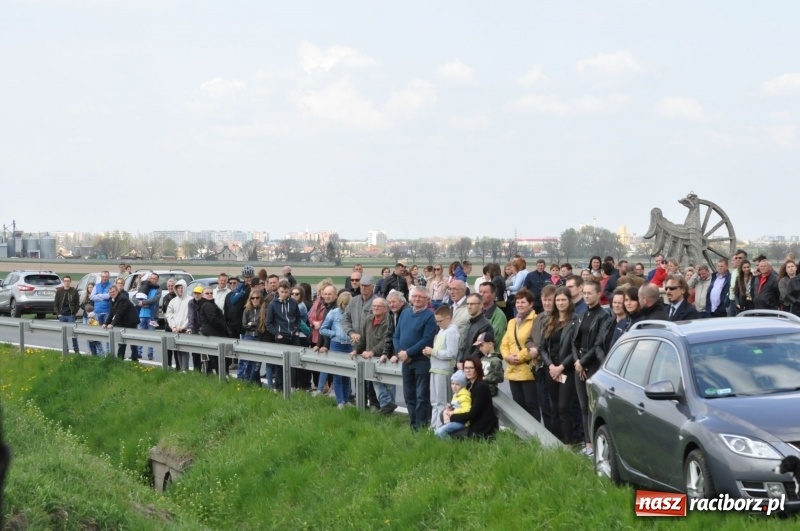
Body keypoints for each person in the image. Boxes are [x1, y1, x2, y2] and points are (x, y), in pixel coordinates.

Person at [573, 278, 614, 456]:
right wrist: (577, 361)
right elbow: (574, 342)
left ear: (598, 294)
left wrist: (583, 362)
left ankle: (597, 445)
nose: (586, 296)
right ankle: (588, 444)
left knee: (593, 407)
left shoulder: (604, 316)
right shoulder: (581, 315)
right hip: (579, 365)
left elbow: (598, 343)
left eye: (590, 293)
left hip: (593, 365)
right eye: (584, 293)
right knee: (583, 407)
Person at [538, 286, 580, 444]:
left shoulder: (575, 321)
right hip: (550, 368)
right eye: (558, 300)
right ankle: (556, 442)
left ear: (569, 301)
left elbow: (575, 348)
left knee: (564, 408)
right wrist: (550, 366)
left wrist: (561, 367)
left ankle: (569, 442)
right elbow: (542, 348)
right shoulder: (548, 320)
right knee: (554, 407)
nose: (560, 303)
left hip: (566, 369)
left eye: (563, 300)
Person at [393, 286, 438, 430]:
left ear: (427, 299)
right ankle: (413, 425)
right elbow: (396, 335)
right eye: (415, 296)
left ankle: (422, 425)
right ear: (410, 298)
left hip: (421, 361)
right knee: (409, 395)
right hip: (405, 360)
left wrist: (408, 353)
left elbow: (427, 339)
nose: (417, 299)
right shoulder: (405, 313)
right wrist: (400, 352)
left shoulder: (430, 316)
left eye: (421, 297)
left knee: (421, 396)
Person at [500, 289, 540, 421]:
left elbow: (536, 344)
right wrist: (507, 356)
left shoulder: (536, 320)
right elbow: (505, 343)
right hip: (513, 369)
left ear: (531, 304)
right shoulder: (512, 322)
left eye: (523, 302)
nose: (519, 305)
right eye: (518, 302)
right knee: (518, 406)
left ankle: (535, 432)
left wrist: (519, 357)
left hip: (528, 369)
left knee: (531, 405)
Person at [355, 297, 396, 413]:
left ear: (385, 309)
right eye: (374, 306)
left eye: (379, 306)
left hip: (385, 356)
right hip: (371, 358)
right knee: (375, 381)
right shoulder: (368, 319)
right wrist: (356, 350)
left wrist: (372, 351)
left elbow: (386, 340)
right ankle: (386, 404)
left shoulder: (389, 321)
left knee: (388, 384)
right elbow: (363, 338)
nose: (376, 308)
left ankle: (388, 408)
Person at [422, 305, 459, 429]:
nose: (438, 324)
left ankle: (440, 426)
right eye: (436, 321)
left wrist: (433, 352)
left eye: (440, 321)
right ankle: (433, 426)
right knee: (434, 401)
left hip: (444, 370)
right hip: (435, 368)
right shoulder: (442, 330)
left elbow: (451, 353)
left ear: (448, 318)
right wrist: (430, 353)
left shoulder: (452, 331)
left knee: (442, 402)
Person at [446, 355, 499, 439]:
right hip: (470, 422)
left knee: (448, 432)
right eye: (466, 368)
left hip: (481, 427)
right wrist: (451, 410)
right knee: (443, 415)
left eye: (471, 368)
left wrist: (452, 417)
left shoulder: (481, 387)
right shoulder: (469, 385)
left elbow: (473, 414)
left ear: (477, 369)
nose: (468, 370)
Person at [528, 284, 556, 433]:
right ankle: (548, 435)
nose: (546, 303)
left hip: (553, 367)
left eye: (549, 300)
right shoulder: (538, 318)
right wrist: (532, 348)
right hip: (539, 367)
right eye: (544, 300)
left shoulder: (560, 318)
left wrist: (539, 351)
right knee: (544, 403)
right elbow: (528, 339)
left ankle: (560, 437)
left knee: (556, 405)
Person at [320, 291, 353, 408]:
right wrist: (335, 334)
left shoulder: (353, 313)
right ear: (340, 303)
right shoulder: (333, 313)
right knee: (337, 374)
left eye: (349, 305)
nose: (346, 307)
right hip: (336, 344)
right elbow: (322, 329)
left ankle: (346, 400)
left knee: (347, 374)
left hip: (349, 345)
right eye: (345, 305)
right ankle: (340, 402)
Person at [103, 284, 140, 360]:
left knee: (132, 341)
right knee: (121, 341)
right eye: (110, 292)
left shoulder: (122, 298)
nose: (112, 294)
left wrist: (112, 324)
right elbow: (111, 313)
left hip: (130, 321)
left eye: (113, 292)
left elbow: (119, 313)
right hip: (122, 322)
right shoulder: (112, 299)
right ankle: (120, 358)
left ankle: (134, 358)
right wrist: (106, 323)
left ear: (117, 291)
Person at [457, 294, 494, 366]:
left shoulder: (485, 325)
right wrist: (459, 361)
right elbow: (462, 346)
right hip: (464, 365)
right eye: (467, 304)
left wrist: (466, 364)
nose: (469, 306)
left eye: (472, 304)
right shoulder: (470, 323)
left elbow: (480, 350)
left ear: (480, 305)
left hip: (474, 366)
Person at [434, 371, 472, 439]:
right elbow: (456, 406)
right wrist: (450, 408)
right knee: (437, 432)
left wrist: (453, 412)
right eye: (452, 383)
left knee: (441, 432)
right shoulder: (456, 394)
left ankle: (449, 443)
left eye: (457, 384)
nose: (454, 386)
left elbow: (467, 410)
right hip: (455, 420)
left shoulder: (465, 396)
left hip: (462, 422)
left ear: (463, 385)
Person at [198, 287, 226, 373]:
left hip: (212, 333)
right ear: (203, 295)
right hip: (214, 333)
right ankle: (219, 374)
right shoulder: (207, 305)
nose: (210, 295)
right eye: (207, 293)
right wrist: (224, 328)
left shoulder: (210, 303)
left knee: (214, 356)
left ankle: (215, 373)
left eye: (211, 293)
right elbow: (213, 320)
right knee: (216, 357)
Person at [165, 280, 190, 371]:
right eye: (178, 288)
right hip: (175, 330)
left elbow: (190, 316)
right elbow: (169, 314)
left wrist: (184, 326)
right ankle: (180, 368)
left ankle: (185, 369)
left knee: (184, 350)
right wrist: (173, 326)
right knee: (177, 349)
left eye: (182, 288)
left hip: (185, 330)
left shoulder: (190, 300)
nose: (180, 290)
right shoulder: (173, 301)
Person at [135, 273, 161, 361]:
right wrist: (139, 303)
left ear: (157, 280)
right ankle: (139, 353)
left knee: (151, 336)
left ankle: (150, 354)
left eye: (154, 279)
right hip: (141, 315)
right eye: (151, 278)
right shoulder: (144, 286)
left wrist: (143, 302)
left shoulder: (158, 289)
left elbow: (155, 299)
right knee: (140, 335)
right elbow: (135, 297)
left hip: (152, 316)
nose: (152, 280)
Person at [54, 275, 81, 354]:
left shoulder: (74, 291)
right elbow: (55, 304)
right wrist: (58, 313)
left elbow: (77, 303)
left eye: (68, 281)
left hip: (70, 315)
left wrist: (74, 313)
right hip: (62, 315)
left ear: (70, 282)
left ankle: (76, 350)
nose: (67, 282)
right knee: (63, 334)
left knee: (73, 333)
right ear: (63, 282)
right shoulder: (59, 291)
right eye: (65, 281)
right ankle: (65, 350)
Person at [473, 332, 504, 396]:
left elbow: (500, 378)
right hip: (479, 388)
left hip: (488, 391)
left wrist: (485, 378)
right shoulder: (482, 359)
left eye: (482, 345)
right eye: (479, 346)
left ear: (490, 344)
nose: (480, 348)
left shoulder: (496, 360)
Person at [89, 271, 113, 355]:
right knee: (97, 333)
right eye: (103, 277)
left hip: (107, 311)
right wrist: (103, 297)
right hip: (97, 311)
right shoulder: (97, 286)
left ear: (108, 277)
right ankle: (100, 352)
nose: (104, 278)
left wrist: (99, 295)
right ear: (101, 277)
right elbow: (92, 297)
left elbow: (109, 295)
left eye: (106, 277)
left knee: (108, 332)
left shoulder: (111, 285)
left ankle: (109, 352)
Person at [80, 282, 102, 355]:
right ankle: (90, 350)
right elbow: (81, 305)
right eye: (88, 287)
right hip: (86, 316)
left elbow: (98, 305)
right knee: (87, 334)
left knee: (95, 335)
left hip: (94, 317)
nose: (90, 289)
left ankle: (99, 351)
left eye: (91, 287)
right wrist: (86, 308)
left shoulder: (96, 296)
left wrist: (91, 310)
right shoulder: (85, 296)